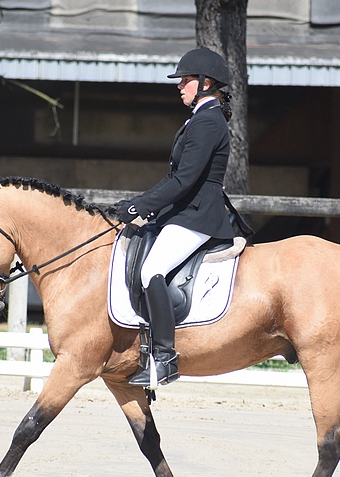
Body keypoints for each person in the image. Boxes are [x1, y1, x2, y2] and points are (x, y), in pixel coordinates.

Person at [114, 47, 237, 388]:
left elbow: (184, 180)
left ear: (205, 82)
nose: (179, 86)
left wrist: (140, 207)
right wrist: (141, 202)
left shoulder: (207, 122)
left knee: (151, 269)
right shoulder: (201, 119)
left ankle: (165, 358)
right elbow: (177, 179)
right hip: (185, 212)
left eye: (185, 81)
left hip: (197, 216)